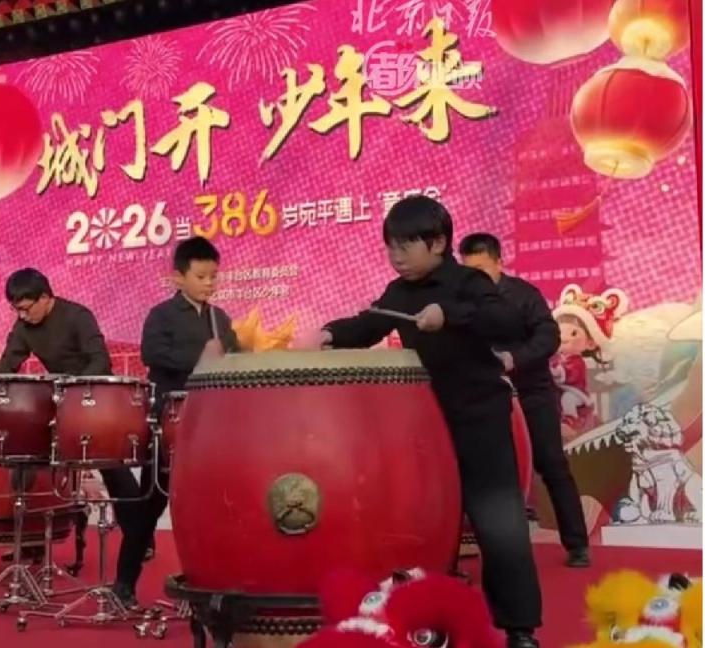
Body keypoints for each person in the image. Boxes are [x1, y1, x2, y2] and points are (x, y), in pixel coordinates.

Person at [296, 197, 542, 648]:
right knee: (430, 528)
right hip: (428, 425)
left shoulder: (468, 283)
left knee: (499, 524)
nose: (397, 257)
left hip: (480, 419)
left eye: (406, 246)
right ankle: (433, 620)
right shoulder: (399, 292)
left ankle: (519, 628)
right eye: (391, 247)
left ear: (438, 243)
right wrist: (328, 334)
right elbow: (368, 325)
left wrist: (451, 315)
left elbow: (505, 320)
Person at [109, 236, 240, 606]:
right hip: (168, 420)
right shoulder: (161, 315)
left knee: (211, 508)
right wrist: (201, 358)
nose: (209, 283)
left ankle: (209, 587)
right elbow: (153, 354)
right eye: (201, 276)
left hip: (210, 422)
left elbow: (234, 356)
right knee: (150, 504)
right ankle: (124, 583)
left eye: (213, 276)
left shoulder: (219, 319)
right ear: (178, 278)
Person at [459, 233, 590, 568]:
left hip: (531, 393)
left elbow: (549, 336)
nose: (474, 279)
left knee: (552, 464)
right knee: (490, 472)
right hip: (486, 397)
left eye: (481, 270)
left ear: (499, 263)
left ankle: (577, 544)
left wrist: (514, 358)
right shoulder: (461, 301)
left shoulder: (524, 295)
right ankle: (499, 547)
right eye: (467, 271)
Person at [0, 268, 115, 562]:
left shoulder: (77, 316)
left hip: (95, 399)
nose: (22, 316)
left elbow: (100, 360)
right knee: (23, 464)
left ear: (45, 297)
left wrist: (75, 390)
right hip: (60, 401)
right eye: (16, 310)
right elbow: (9, 362)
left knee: (115, 470)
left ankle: (140, 537)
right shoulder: (25, 327)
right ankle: (30, 539)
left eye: (26, 308)